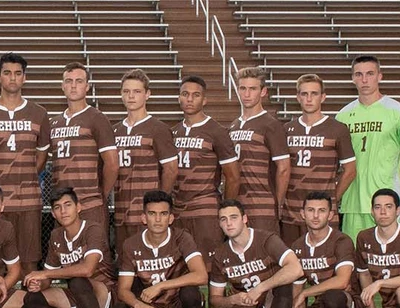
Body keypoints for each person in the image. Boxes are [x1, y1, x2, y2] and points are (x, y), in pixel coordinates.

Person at [194, 199, 303, 308]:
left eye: (233, 217)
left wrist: (260, 288)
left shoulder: (266, 240)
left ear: (244, 219)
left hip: (271, 304)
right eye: (223, 219)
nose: (229, 223)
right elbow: (215, 301)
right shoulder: (220, 254)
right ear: (220, 224)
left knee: (283, 284)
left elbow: (296, 269)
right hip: (244, 305)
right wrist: (233, 300)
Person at [0, 53, 50, 272]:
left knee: (29, 261)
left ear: (24, 78)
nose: (12, 78)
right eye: (7, 73)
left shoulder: (39, 114)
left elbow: (41, 156)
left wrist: (28, 176)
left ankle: (30, 305)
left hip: (28, 200)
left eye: (17, 74)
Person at [20, 188, 114, 308]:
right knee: (32, 299)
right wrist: (39, 284)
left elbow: (87, 269)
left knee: (78, 281)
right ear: (53, 214)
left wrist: (44, 273)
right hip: (78, 297)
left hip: (104, 296)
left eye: (68, 205)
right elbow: (49, 278)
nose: (63, 211)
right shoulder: (56, 235)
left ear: (78, 207)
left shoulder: (93, 229)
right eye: (57, 207)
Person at [114, 190, 207, 308]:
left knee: (191, 293)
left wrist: (161, 285)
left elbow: (201, 275)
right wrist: (137, 305)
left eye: (163, 214)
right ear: (144, 218)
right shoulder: (130, 244)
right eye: (152, 214)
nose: (158, 219)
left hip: (178, 306)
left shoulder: (182, 238)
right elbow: (123, 290)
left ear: (171, 218)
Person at [337, 56, 400, 241]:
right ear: (352, 78)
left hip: (386, 206)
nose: (364, 80)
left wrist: (393, 191)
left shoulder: (398, 112)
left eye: (370, 74)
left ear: (380, 76)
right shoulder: (343, 116)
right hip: (354, 203)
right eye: (359, 74)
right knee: (356, 263)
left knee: (392, 260)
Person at [48, 63, 118, 255]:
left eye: (79, 81)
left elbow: (112, 163)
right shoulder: (54, 122)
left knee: (96, 261)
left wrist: (100, 193)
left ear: (87, 86)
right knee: (68, 258)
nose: (73, 86)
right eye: (68, 81)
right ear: (62, 86)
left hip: (89, 203)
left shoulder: (97, 118)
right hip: (63, 204)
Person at [281, 75, 356, 245]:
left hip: (323, 213)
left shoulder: (337, 129)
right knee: (293, 263)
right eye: (304, 94)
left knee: (326, 263)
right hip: (292, 210)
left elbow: (350, 170)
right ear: (297, 97)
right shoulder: (287, 129)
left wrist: (331, 199)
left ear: (323, 97)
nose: (309, 99)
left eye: (314, 94)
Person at [287, 192, 358, 308]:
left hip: (350, 307)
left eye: (322, 210)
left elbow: (342, 281)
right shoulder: (297, 246)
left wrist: (306, 293)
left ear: (331, 215)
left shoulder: (342, 241)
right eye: (311, 210)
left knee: (333, 297)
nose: (316, 215)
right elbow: (297, 291)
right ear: (303, 214)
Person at [172, 75, 240, 252]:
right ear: (179, 97)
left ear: (204, 100)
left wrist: (226, 209)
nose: (189, 99)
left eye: (195, 95)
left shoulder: (217, 131)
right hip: (179, 209)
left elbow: (232, 177)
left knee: (209, 268)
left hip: (205, 209)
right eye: (185, 94)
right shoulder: (174, 132)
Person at [112, 70, 177, 248]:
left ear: (147, 94)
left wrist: (160, 204)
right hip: (121, 210)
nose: (131, 96)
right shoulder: (115, 130)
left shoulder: (158, 129)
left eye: (137, 91)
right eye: (126, 91)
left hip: (147, 214)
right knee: (124, 261)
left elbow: (171, 169)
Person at [229, 67, 289, 236]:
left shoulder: (270, 125)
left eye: (252, 89)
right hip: (238, 205)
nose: (247, 94)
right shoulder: (234, 125)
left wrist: (277, 203)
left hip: (262, 206)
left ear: (263, 92)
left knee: (265, 257)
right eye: (243, 88)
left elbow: (283, 168)